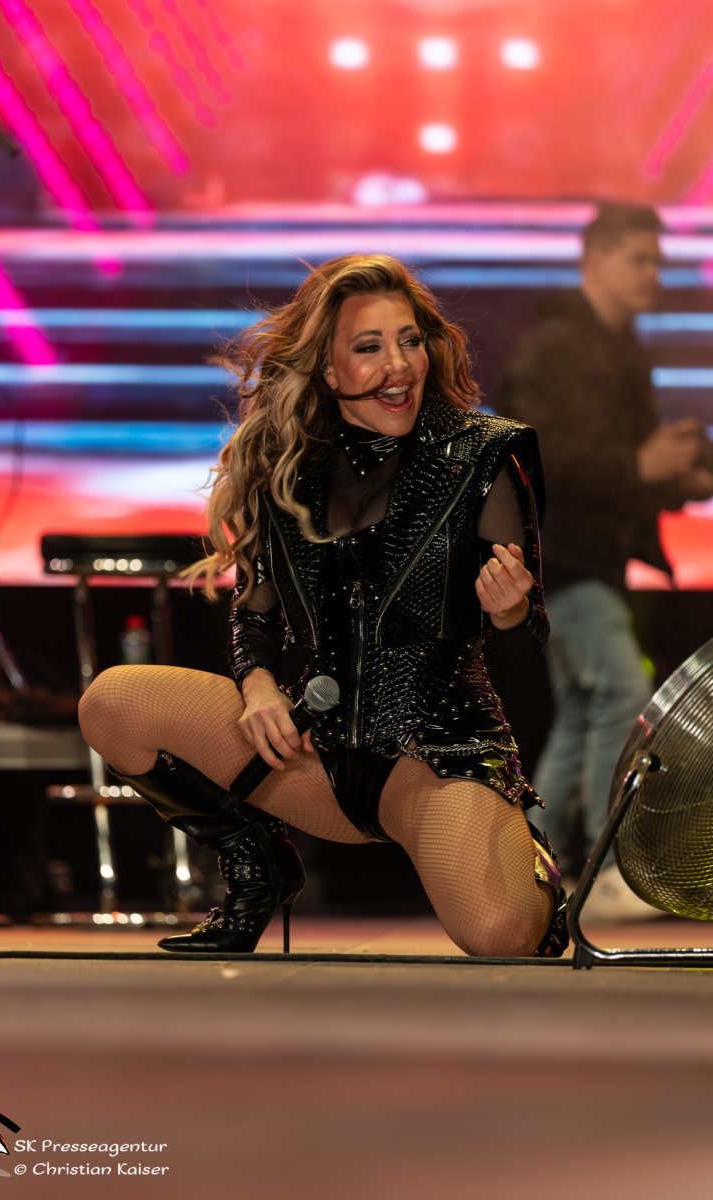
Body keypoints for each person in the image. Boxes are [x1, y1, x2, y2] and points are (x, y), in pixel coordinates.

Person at [78, 253, 568, 958]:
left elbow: (527, 645)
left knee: (502, 936)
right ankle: (259, 866)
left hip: (435, 757)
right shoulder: (286, 466)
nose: (398, 366)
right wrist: (258, 687)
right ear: (328, 371)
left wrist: (512, 612)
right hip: (316, 757)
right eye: (369, 347)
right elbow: (255, 612)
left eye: (409, 341)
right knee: (112, 703)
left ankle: (528, 858)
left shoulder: (485, 456)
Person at [496, 203, 713, 917]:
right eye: (638, 259)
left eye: (657, 261)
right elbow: (538, 455)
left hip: (584, 557)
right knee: (620, 691)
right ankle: (602, 864)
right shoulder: (559, 345)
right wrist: (642, 464)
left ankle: (527, 866)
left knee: (587, 708)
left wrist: (675, 478)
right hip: (559, 555)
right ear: (594, 259)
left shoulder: (618, 345)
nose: (652, 274)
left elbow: (616, 464)